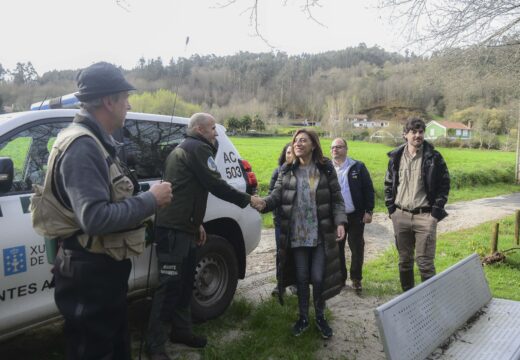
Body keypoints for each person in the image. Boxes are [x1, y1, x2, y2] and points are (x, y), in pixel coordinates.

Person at [38, 62, 173, 360]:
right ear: (109, 101)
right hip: (91, 277)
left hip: (101, 272)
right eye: (125, 97)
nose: (129, 104)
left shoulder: (97, 141)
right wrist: (151, 200)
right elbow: (95, 218)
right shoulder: (83, 146)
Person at [146, 113, 265, 360]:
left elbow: (186, 189)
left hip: (186, 227)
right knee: (169, 287)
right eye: (212, 128)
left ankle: (182, 331)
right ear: (200, 129)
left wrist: (197, 222)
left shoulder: (185, 147)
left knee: (185, 281)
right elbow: (215, 184)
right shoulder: (198, 148)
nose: (215, 133)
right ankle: (154, 345)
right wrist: (248, 199)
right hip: (174, 229)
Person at [261, 129, 346, 339]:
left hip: (319, 234)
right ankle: (303, 318)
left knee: (318, 278)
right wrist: (262, 203)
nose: (298, 144)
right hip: (297, 234)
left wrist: (340, 222)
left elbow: (336, 199)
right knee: (301, 278)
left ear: (313, 145)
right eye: (296, 141)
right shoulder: (287, 170)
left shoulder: (325, 169)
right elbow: (276, 196)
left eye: (303, 140)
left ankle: (319, 316)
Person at [384, 117, 450, 292]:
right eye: (414, 132)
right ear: (405, 134)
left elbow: (445, 185)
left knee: (425, 262)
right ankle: (408, 297)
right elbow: (388, 184)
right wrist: (392, 210)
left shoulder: (434, 157)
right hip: (401, 216)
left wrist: (435, 214)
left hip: (425, 216)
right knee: (404, 261)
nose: (418, 135)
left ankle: (430, 301)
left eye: (421, 132)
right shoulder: (396, 157)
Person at [330, 138, 374, 292]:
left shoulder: (358, 167)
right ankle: (340, 280)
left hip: (355, 215)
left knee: (357, 248)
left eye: (339, 147)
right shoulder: (327, 169)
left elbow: (368, 189)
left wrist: (369, 211)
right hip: (335, 217)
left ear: (346, 149)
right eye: (333, 147)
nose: (335, 150)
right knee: (337, 250)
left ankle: (356, 279)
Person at [269, 143, 297, 297]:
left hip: (298, 221)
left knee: (297, 253)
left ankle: (295, 283)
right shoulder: (278, 172)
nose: (289, 155)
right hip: (281, 220)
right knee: (282, 253)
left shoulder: (303, 172)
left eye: (292, 152)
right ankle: (280, 284)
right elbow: (271, 193)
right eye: (287, 152)